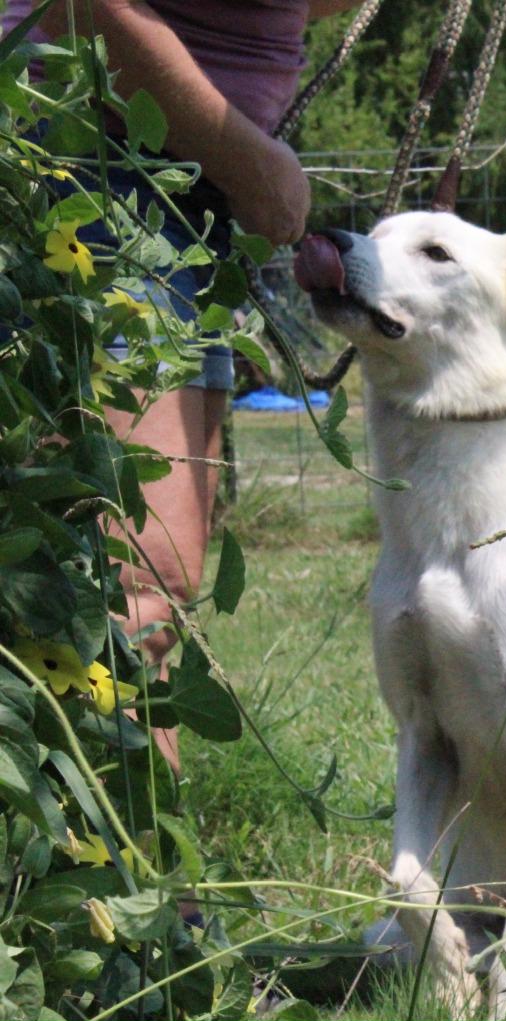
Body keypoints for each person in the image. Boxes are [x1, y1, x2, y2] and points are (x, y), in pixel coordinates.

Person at [4, 0, 362, 772]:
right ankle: (105, 871)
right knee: (119, 584)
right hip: (93, 170)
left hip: (173, 199)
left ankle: (139, 857)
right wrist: (250, 162)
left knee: (152, 584)